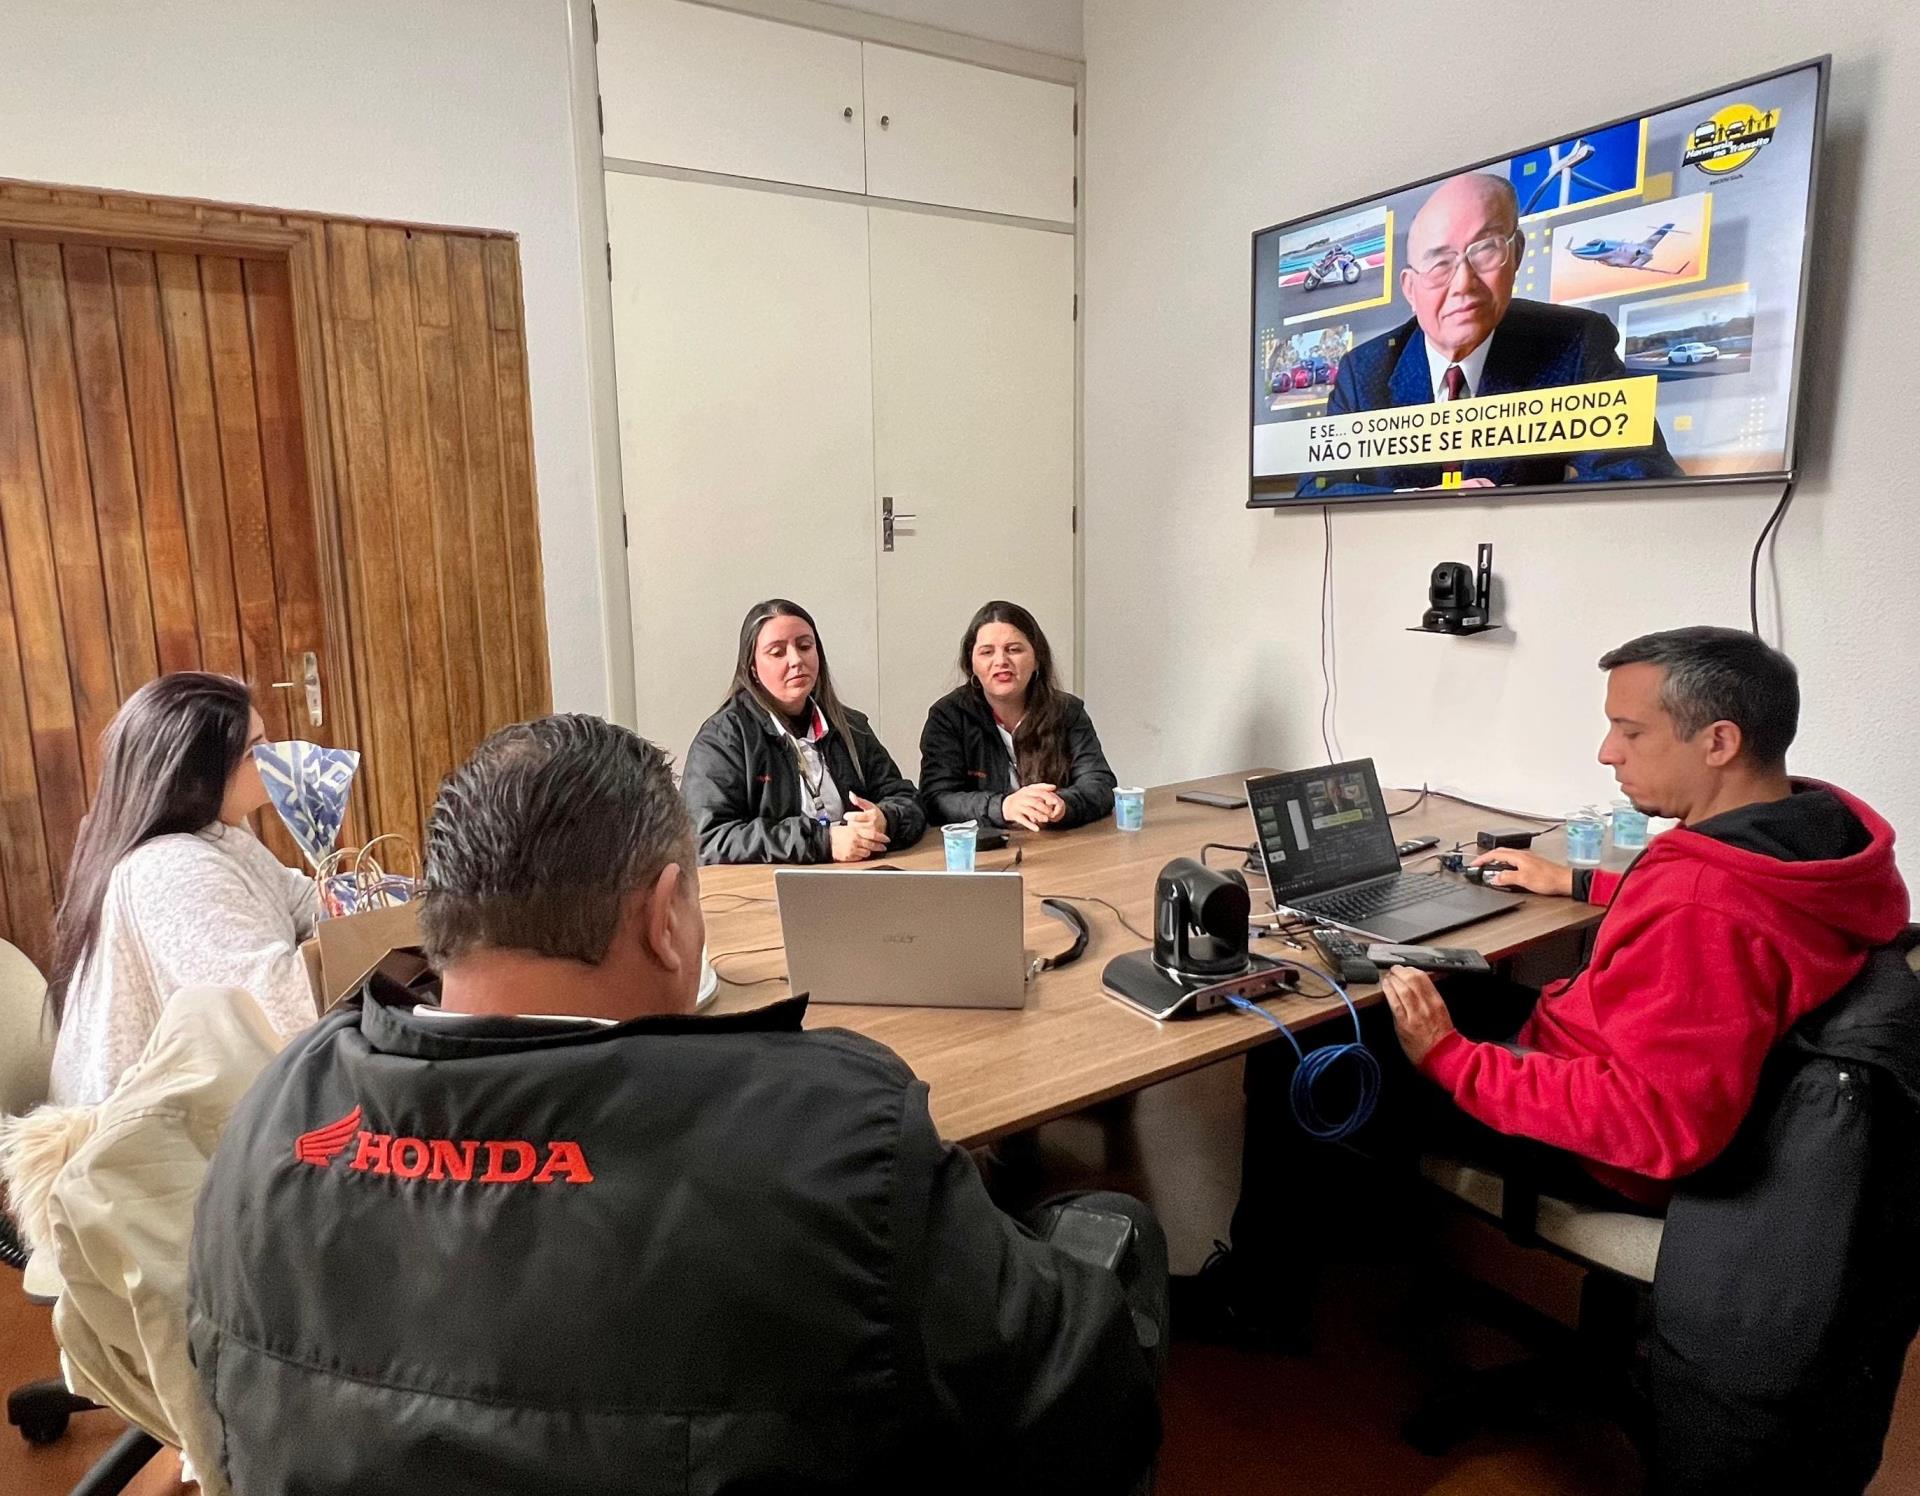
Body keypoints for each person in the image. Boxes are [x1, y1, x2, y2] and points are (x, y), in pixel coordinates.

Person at [188, 715, 1166, 1496]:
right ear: (665, 917)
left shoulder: (272, 1113)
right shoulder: (830, 1134)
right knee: (1110, 1227)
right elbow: (1064, 1397)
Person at [1199, 626, 1909, 1344]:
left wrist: (1450, 1058)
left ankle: (1262, 1304)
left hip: (1604, 1148)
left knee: (1302, 1046)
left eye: (1630, 731)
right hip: (1600, 1051)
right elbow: (1699, 927)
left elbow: (1657, 1127)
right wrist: (1579, 880)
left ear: (1719, 742)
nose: (1608, 752)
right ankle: (1369, 1217)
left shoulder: (1706, 907)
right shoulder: (1816, 840)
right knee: (1433, 988)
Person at [1297, 172, 1683, 496]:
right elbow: (1314, 489)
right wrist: (1415, 501)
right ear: (1410, 288)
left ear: (1516, 256)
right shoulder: (1362, 371)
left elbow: (1643, 478)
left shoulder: (1575, 342)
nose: (1463, 284)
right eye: (1439, 263)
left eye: (1485, 250)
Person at [46, 673, 319, 1106]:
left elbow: (306, 901)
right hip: (146, 1146)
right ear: (198, 776)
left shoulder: (219, 835)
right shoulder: (171, 868)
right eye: (254, 751)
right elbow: (283, 1015)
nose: (274, 758)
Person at [682, 598, 925, 863]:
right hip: (766, 891)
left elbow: (906, 798)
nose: (796, 660)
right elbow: (707, 839)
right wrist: (823, 841)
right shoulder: (723, 737)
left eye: (805, 646)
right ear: (752, 667)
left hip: (857, 879)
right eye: (777, 652)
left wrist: (885, 818)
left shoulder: (851, 726)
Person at [919, 601, 1117, 832]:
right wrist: (1003, 807)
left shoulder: (1067, 711)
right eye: (987, 652)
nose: (1001, 661)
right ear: (971, 664)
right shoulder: (948, 717)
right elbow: (936, 800)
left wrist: (1064, 804)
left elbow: (1100, 784)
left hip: (1058, 844)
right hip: (985, 851)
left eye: (1014, 649)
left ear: (1037, 660)